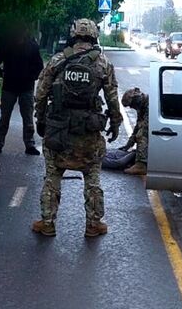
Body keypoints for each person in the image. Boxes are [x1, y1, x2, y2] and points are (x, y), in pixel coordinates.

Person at [32, 18, 122, 238]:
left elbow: (40, 94)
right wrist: (115, 123)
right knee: (92, 177)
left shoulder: (57, 60)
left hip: (58, 131)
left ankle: (47, 223)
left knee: (52, 176)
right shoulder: (103, 63)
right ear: (94, 36)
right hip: (88, 134)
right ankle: (94, 224)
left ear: (73, 35)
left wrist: (41, 120)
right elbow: (112, 99)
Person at [0, 29, 44, 156]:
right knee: (4, 117)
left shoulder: (32, 47)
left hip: (26, 87)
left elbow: (39, 67)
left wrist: (31, 77)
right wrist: (2, 74)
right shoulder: (6, 45)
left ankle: (29, 145)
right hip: (9, 87)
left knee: (28, 118)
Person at [119, 87, 149, 176]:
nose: (133, 108)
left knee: (141, 134)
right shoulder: (143, 104)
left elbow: (146, 126)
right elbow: (137, 126)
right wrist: (128, 145)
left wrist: (137, 137)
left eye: (132, 105)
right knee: (138, 131)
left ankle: (141, 164)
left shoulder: (150, 105)